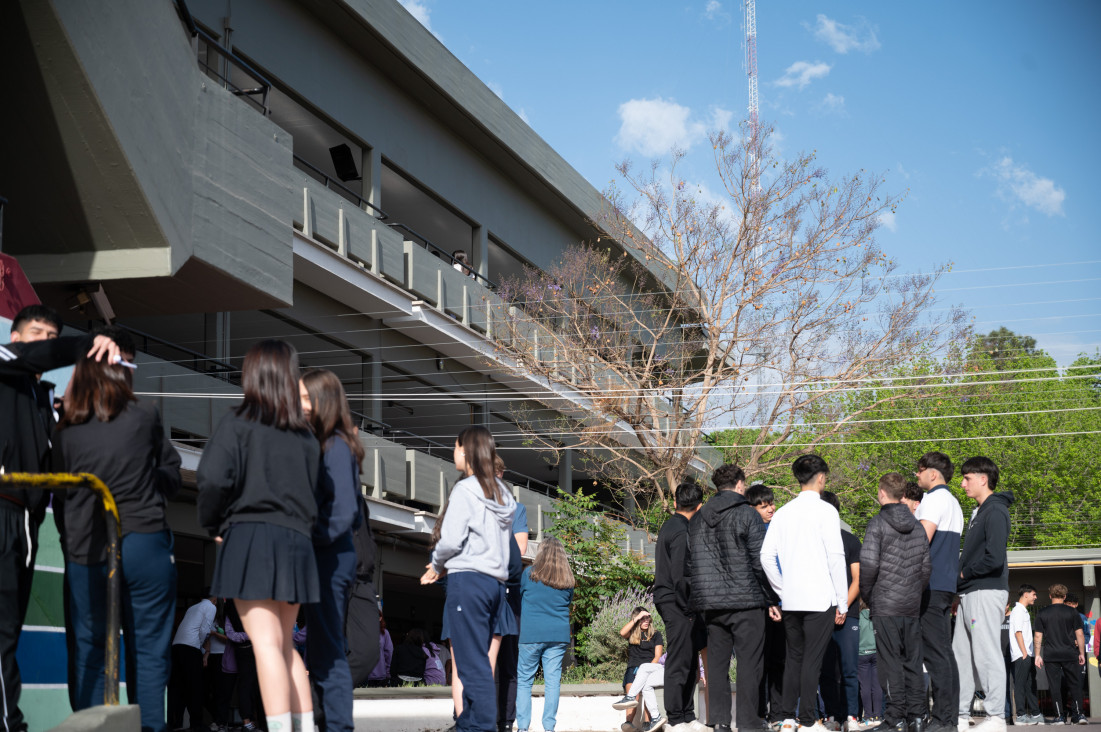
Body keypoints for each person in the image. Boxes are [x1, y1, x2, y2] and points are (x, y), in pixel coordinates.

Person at [0, 305, 122, 732]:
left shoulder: (39, 398)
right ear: (15, 338)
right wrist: (86, 343)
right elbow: (39, 358)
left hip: (27, 521)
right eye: (38, 333)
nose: (45, 341)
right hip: (3, 510)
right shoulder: (2, 360)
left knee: (9, 629)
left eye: (53, 334)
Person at [53, 325, 181, 732]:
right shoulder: (144, 415)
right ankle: (150, 728)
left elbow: (58, 492)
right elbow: (171, 473)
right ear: (120, 368)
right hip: (144, 540)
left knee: (88, 647)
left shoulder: (65, 428)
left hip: (85, 547)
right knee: (149, 649)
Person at [197, 339, 322, 732]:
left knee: (266, 645)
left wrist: (215, 525)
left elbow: (212, 479)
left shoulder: (238, 422)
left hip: (250, 538)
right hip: (297, 543)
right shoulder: (305, 435)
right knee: (284, 648)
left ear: (251, 374)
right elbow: (319, 495)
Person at [420, 425, 517, 732]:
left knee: (470, 664)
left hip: (468, 583)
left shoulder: (466, 489)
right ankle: (471, 725)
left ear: (467, 451)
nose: (453, 453)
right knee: (479, 664)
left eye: (455, 447)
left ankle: (478, 727)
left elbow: (449, 540)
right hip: (494, 586)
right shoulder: (502, 494)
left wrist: (436, 564)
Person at [760, 454, 849, 732]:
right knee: (812, 659)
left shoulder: (783, 512)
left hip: (792, 599)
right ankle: (808, 720)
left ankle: (787, 718)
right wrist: (842, 601)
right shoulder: (827, 511)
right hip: (820, 598)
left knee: (794, 657)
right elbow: (836, 557)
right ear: (821, 477)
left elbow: (766, 555)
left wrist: (782, 588)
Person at [688, 470, 779, 732]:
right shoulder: (747, 514)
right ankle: (749, 723)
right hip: (747, 600)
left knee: (716, 665)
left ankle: (719, 721)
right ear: (740, 485)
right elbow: (759, 562)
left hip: (712, 603)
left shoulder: (698, 518)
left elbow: (692, 560)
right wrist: (771, 598)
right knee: (750, 663)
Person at [300, 368, 363, 732]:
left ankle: (338, 726)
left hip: (329, 558)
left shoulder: (335, 446)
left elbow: (342, 514)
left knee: (329, 653)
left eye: (306, 398)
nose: (300, 405)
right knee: (323, 650)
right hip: (330, 557)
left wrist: (307, 534)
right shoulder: (333, 444)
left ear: (323, 402)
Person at [859, 472, 932, 732]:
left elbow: (868, 565)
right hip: (911, 606)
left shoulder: (877, 523)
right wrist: (913, 593)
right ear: (903, 494)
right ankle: (917, 718)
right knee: (913, 662)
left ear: (881, 493)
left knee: (889, 664)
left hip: (885, 605)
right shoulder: (918, 526)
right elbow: (925, 569)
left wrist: (870, 596)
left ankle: (895, 718)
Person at [952, 456, 1013, 732]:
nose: (962, 483)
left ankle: (997, 717)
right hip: (969, 594)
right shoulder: (980, 512)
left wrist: (963, 575)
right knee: (961, 655)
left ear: (982, 479)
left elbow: (994, 558)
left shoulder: (996, 510)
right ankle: (961, 715)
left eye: (967, 478)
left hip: (985, 591)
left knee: (987, 652)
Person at [913, 452, 963, 732]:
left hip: (930, 585)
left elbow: (921, 539)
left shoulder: (934, 499)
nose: (916, 476)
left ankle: (943, 720)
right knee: (943, 652)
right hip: (944, 585)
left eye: (919, 471)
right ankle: (948, 718)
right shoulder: (953, 501)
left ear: (933, 473)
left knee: (935, 653)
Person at [654, 479, 707, 732]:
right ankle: (676, 718)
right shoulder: (681, 530)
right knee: (679, 661)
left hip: (674, 600)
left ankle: (687, 714)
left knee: (689, 660)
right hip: (678, 602)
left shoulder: (671, 525)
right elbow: (680, 575)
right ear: (699, 507)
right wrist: (688, 607)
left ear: (675, 503)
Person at [515, 536, 575, 732]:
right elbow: (567, 604)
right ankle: (549, 727)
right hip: (557, 635)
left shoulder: (528, 574)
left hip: (531, 634)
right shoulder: (568, 579)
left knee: (524, 681)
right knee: (552, 682)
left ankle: (523, 727)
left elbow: (519, 595)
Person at [819, 491, 862, 732]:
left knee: (849, 668)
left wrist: (843, 606)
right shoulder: (812, 542)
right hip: (820, 614)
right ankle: (832, 715)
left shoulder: (851, 540)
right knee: (825, 669)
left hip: (849, 613)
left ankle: (852, 716)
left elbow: (858, 579)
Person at [747, 483, 784, 723]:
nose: (771, 508)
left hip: (782, 603)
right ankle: (759, 714)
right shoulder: (751, 531)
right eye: (764, 505)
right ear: (752, 508)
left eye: (771, 503)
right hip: (758, 605)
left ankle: (778, 713)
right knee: (758, 662)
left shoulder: (780, 529)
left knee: (779, 660)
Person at [497, 456, 527, 732]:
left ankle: (506, 720)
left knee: (507, 661)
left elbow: (520, 551)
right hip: (483, 590)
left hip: (507, 594)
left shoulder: (516, 509)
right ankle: (471, 717)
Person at [1034, 584, 1087, 725]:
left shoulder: (1042, 613)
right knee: (1075, 684)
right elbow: (1080, 634)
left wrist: (1038, 654)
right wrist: (1081, 653)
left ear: (1050, 596)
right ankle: (1079, 715)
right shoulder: (1072, 612)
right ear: (1064, 597)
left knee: (1055, 686)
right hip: (1070, 653)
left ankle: (1059, 716)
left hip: (1051, 654)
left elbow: (1038, 636)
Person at [346, 492, 381, 687]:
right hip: (332, 573)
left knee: (368, 653)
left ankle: (316, 705)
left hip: (362, 579)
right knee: (325, 652)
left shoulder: (355, 490)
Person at [169, 596, 218, 731]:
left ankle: (175, 722)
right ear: (215, 597)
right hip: (190, 648)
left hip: (176, 646)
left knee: (178, 686)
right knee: (195, 687)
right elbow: (204, 630)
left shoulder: (193, 607)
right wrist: (201, 649)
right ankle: (196, 724)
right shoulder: (211, 606)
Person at [615, 607, 665, 730]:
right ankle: (628, 723)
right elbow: (622, 633)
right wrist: (636, 618)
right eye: (643, 618)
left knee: (648, 689)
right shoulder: (632, 632)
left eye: (648, 617)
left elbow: (658, 656)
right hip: (633, 667)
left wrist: (646, 670)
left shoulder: (656, 634)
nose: (646, 620)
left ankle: (648, 722)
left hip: (650, 667)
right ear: (637, 619)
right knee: (633, 693)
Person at [224, 600, 263, 731]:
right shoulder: (252, 606)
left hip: (248, 650)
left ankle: (252, 721)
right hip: (251, 650)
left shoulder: (232, 608)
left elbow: (231, 634)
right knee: (249, 686)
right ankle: (249, 721)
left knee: (252, 686)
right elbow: (231, 634)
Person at [1009, 585, 1040, 725]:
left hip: (1026, 654)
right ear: (1026, 594)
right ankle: (1021, 716)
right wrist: (1024, 652)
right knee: (1020, 685)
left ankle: (1035, 714)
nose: (1035, 597)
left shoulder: (1023, 611)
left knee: (1029, 684)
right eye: (1034, 594)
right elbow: (1018, 632)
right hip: (1021, 655)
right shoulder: (1018, 611)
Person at [858, 603, 883, 729]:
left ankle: (868, 716)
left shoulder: (858, 617)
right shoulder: (878, 616)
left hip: (861, 653)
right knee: (877, 685)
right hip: (876, 653)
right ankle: (877, 716)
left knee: (865, 686)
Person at [367, 618, 393, 687]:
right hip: (363, 676)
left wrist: (387, 672)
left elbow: (389, 654)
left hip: (380, 676)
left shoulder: (384, 632)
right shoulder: (359, 631)